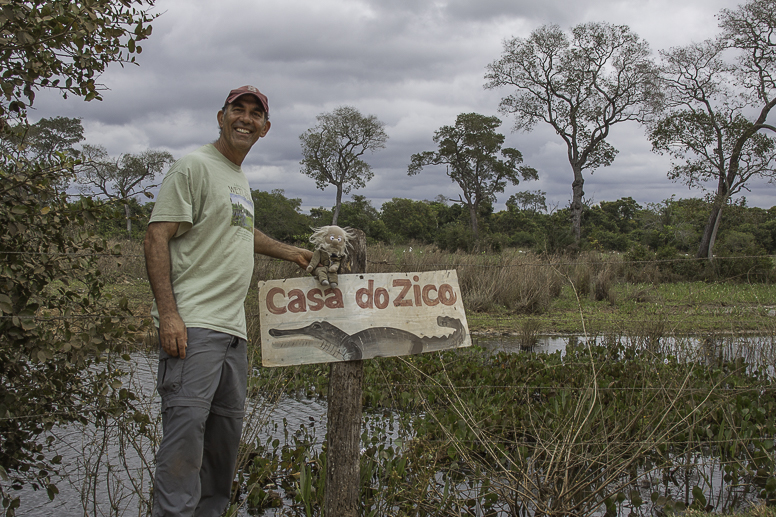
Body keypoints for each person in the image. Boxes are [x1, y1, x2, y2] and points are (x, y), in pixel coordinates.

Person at [143, 85, 312, 516]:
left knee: (221, 452)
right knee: (182, 449)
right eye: (239, 109)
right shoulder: (194, 166)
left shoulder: (237, 178)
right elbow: (156, 235)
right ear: (221, 116)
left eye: (256, 114)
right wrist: (169, 315)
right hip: (194, 329)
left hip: (233, 334)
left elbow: (242, 230)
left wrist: (291, 252)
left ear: (265, 129)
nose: (246, 118)